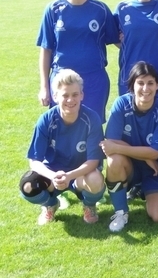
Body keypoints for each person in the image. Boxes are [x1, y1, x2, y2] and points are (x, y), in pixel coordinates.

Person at [37, 0, 120, 123]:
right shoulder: (53, 9)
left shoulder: (101, 10)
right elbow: (46, 50)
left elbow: (119, 40)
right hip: (62, 79)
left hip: (94, 78)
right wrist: (44, 87)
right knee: (61, 127)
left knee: (92, 126)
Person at [19, 69, 105, 225]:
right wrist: (53, 176)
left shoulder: (92, 119)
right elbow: (34, 160)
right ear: (55, 96)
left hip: (80, 175)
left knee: (96, 179)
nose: (70, 100)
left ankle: (89, 205)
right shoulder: (46, 120)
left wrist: (69, 176)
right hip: (54, 175)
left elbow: (93, 162)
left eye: (74, 94)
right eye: (65, 95)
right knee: (28, 185)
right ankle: (50, 205)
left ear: (82, 95)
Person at [100, 62, 158, 232]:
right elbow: (110, 143)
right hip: (130, 165)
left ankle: (143, 189)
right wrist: (146, 156)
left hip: (155, 169)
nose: (145, 89)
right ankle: (121, 212)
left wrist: (150, 156)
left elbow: (155, 153)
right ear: (132, 85)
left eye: (150, 83)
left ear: (157, 86)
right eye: (140, 83)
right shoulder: (121, 104)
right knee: (114, 160)